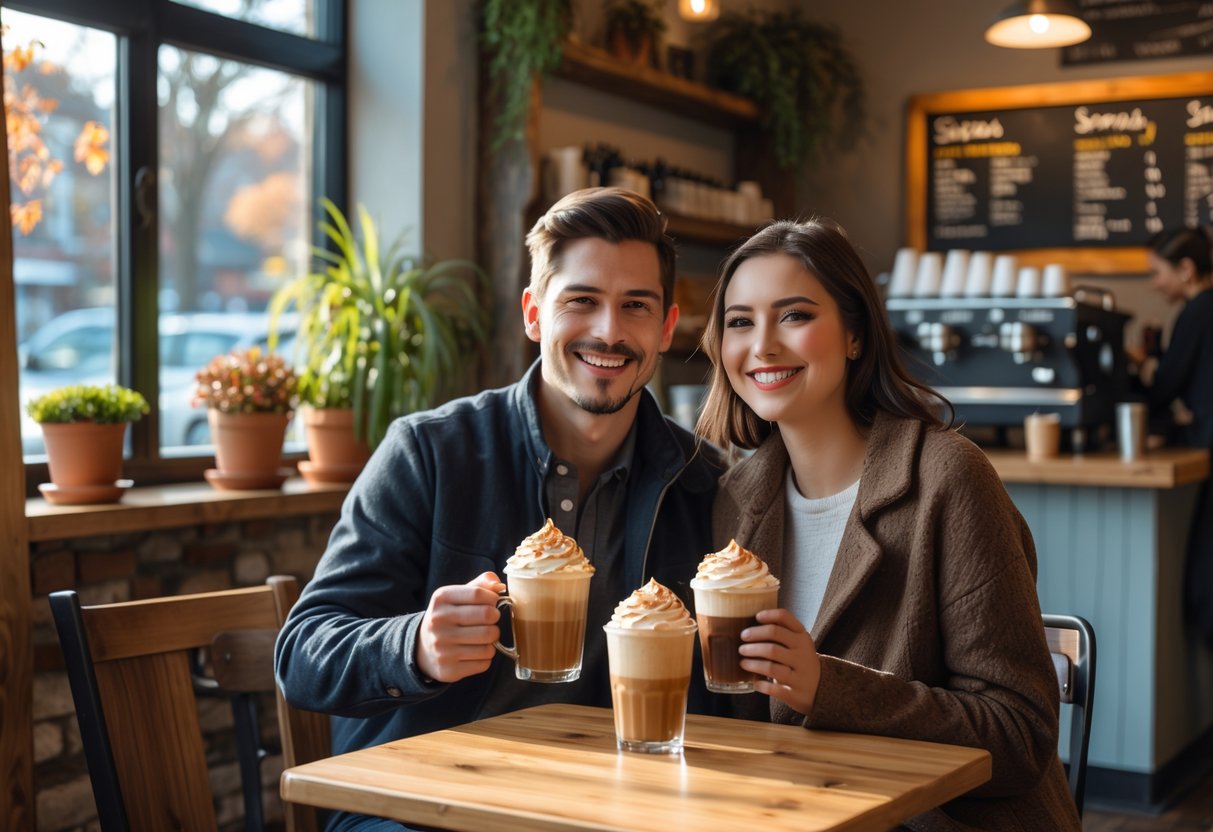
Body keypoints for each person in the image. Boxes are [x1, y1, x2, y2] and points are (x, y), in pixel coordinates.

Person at [276, 187, 725, 831]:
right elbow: (303, 652)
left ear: (664, 327)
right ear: (534, 314)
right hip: (420, 807)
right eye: (581, 301)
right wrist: (417, 647)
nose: (608, 330)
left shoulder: (700, 479)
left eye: (635, 307)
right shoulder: (430, 452)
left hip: (614, 806)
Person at [695, 218, 1082, 830]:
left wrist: (830, 687)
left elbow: (1019, 735)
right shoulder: (733, 501)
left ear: (854, 335)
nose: (762, 345)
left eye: (794, 315)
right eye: (740, 321)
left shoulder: (948, 479)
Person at [1132, 225, 1213, 645]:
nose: (1154, 283)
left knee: (1205, 587)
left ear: (1186, 269)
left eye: (1157, 272)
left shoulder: (1198, 310)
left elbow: (1166, 386)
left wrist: (1140, 362)